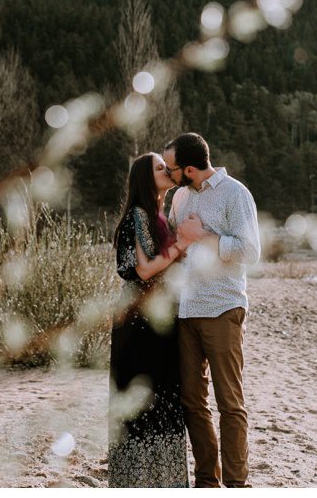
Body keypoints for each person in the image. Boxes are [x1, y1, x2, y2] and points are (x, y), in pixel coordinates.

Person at [163, 133, 260, 489]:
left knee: (229, 403)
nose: (170, 175)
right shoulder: (179, 196)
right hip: (186, 311)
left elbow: (250, 251)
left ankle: (237, 485)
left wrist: (203, 236)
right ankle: (207, 483)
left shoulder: (236, 193)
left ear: (190, 168)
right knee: (192, 402)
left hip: (223, 308)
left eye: (173, 169)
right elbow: (177, 246)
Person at [108, 152, 191, 488]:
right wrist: (183, 243)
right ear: (145, 177)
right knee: (144, 402)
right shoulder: (140, 215)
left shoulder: (158, 215)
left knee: (164, 400)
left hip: (158, 317)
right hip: (140, 321)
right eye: (160, 168)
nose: (168, 171)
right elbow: (144, 269)